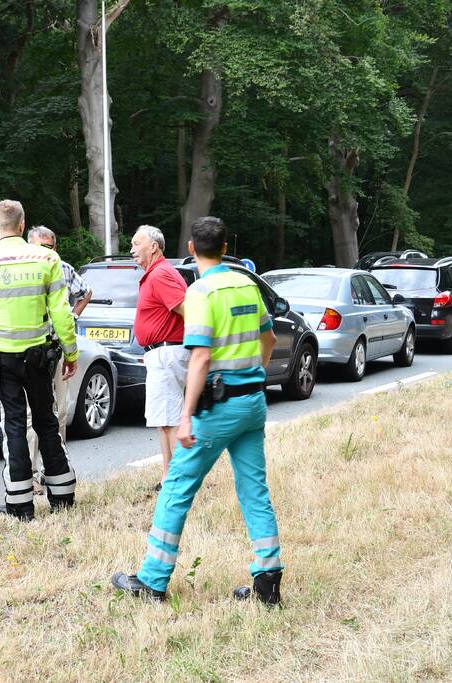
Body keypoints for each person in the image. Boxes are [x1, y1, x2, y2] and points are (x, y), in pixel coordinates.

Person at [112, 216, 284, 605]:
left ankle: (153, 580)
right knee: (254, 489)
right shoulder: (245, 282)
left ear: (191, 248)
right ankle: (268, 580)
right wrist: (253, 374)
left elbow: (202, 356)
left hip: (218, 408)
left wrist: (186, 414)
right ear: (225, 247)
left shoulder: (202, 292)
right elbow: (269, 337)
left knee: (176, 486)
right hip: (253, 402)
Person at [0, 200, 79, 521]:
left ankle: (20, 505)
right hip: (40, 357)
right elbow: (62, 313)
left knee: (13, 426)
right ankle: (63, 496)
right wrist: (71, 352)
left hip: (3, 359)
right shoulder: (46, 258)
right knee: (47, 421)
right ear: (23, 225)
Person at [25, 225, 92, 492]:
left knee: (60, 411)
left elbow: (85, 292)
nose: (47, 252)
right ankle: (29, 473)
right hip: (30, 350)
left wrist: (73, 317)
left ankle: (55, 469)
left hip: (58, 348)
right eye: (41, 246)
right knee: (31, 415)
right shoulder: (22, 270)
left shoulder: (63, 268)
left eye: (50, 247)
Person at [131, 225, 189, 489]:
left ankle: (179, 480)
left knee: (170, 420)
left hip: (167, 353)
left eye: (136, 244)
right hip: (161, 353)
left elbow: (188, 310)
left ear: (153, 246)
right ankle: (169, 476)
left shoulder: (161, 274)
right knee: (164, 421)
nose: (132, 250)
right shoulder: (155, 274)